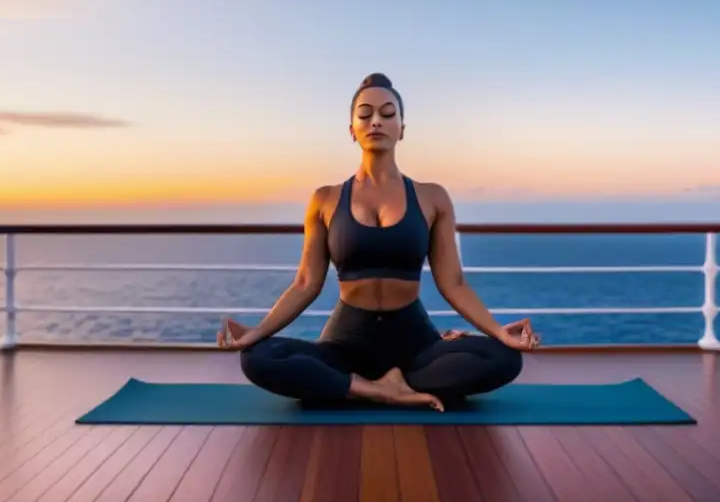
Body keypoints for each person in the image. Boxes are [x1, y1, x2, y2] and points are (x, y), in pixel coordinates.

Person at [217, 73, 540, 410]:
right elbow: (304, 284)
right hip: (346, 343)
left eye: (388, 114)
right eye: (365, 114)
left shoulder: (432, 197)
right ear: (352, 129)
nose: (376, 121)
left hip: (415, 345)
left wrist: (499, 332)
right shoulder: (325, 199)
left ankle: (363, 387)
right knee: (258, 357)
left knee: (504, 358)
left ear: (402, 128)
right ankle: (377, 389)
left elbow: (453, 283)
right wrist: (256, 332)